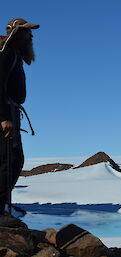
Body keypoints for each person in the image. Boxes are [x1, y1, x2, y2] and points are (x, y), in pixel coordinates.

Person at [0, 18, 39, 227]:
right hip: (5, 115)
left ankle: (4, 206)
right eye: (27, 33)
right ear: (15, 33)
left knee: (14, 161)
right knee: (8, 162)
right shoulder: (6, 53)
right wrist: (4, 117)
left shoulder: (12, 54)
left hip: (10, 112)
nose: (31, 37)